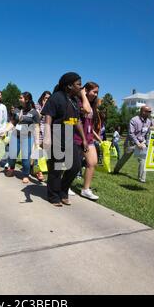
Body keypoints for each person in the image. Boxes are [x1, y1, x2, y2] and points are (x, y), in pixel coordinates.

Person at [41, 72, 89, 207]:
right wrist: (47, 137)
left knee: (75, 166)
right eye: (78, 84)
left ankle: (63, 190)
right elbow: (48, 117)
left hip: (69, 136)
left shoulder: (75, 100)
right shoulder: (56, 97)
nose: (81, 87)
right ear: (69, 85)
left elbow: (77, 121)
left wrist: (84, 138)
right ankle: (53, 195)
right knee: (56, 169)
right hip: (56, 135)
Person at [74, 82, 102, 200]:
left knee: (92, 163)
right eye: (94, 91)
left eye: (97, 92)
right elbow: (83, 112)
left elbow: (89, 123)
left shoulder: (92, 105)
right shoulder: (78, 101)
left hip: (89, 138)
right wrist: (83, 94)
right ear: (86, 90)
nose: (96, 95)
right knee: (73, 165)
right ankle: (64, 185)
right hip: (76, 137)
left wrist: (96, 136)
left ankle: (85, 189)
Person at [4, 92, 40, 184]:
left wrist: (37, 143)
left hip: (27, 137)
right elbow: (12, 122)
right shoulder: (16, 110)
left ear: (27, 99)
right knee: (12, 155)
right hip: (16, 136)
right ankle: (11, 169)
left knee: (25, 157)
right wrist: (5, 130)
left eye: (21, 98)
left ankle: (25, 174)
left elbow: (36, 127)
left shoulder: (34, 112)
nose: (19, 99)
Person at [113, 106, 153, 183]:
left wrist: (146, 143)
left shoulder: (149, 121)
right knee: (124, 158)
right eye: (149, 111)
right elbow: (131, 133)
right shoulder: (134, 120)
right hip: (131, 143)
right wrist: (137, 143)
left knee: (143, 159)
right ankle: (116, 170)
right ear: (143, 112)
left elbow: (147, 133)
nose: (150, 113)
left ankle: (142, 178)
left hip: (142, 143)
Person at [33, 91, 51, 181]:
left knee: (44, 152)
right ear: (42, 97)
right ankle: (38, 172)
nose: (47, 99)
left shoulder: (51, 107)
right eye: (46, 97)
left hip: (47, 131)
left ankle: (35, 167)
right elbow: (37, 118)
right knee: (38, 150)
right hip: (38, 129)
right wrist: (44, 107)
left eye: (49, 98)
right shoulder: (37, 106)